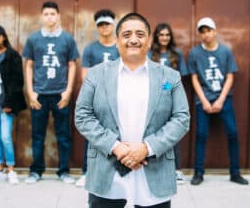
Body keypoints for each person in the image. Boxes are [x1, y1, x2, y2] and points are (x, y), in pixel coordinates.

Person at [75, 13, 190, 208]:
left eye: (140, 34)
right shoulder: (96, 74)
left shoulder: (169, 77)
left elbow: (181, 118)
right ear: (117, 41)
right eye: (127, 34)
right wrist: (116, 147)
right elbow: (82, 115)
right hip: (107, 169)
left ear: (149, 40)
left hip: (154, 170)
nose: (134, 39)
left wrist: (146, 148)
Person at [22, 1, 79, 184]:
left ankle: (64, 171)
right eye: (46, 14)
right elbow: (29, 65)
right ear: (42, 16)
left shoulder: (67, 39)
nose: (49, 17)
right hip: (39, 94)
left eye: (52, 14)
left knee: (63, 135)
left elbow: (72, 65)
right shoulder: (33, 39)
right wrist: (31, 91)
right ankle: (36, 171)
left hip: (60, 94)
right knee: (38, 135)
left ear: (58, 15)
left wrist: (68, 91)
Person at [187, 17, 248, 185]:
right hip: (203, 100)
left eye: (208, 30)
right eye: (202, 31)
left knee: (233, 133)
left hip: (224, 98)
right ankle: (198, 173)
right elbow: (194, 79)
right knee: (201, 135)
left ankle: (235, 173)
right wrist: (204, 101)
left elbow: (230, 77)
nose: (206, 34)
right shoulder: (194, 53)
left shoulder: (226, 51)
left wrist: (221, 99)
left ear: (215, 31)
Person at [76, 9, 119, 188]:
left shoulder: (121, 46)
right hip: (98, 100)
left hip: (119, 99)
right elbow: (85, 77)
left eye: (107, 24)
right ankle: (87, 172)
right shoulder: (91, 49)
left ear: (113, 24)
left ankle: (117, 171)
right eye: (101, 25)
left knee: (119, 135)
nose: (104, 28)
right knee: (93, 136)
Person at [148, 22, 188, 184]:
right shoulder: (150, 54)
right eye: (161, 35)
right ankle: (151, 167)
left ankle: (176, 170)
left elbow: (180, 77)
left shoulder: (176, 54)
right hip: (152, 99)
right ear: (157, 37)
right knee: (152, 132)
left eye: (167, 35)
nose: (164, 38)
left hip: (171, 99)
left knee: (172, 133)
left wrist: (166, 87)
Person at [0, 25, 26, 184]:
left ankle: (11, 169)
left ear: (4, 36)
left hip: (6, 104)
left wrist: (9, 102)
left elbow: (18, 82)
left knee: (5, 137)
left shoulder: (13, 56)